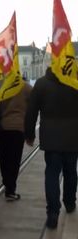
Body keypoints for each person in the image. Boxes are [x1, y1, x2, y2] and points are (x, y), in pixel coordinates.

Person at [25, 67, 78, 229]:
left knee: (52, 174)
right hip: (73, 136)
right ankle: (70, 203)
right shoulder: (75, 82)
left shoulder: (41, 83)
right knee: (71, 171)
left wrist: (29, 134)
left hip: (51, 137)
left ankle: (53, 213)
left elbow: (31, 111)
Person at [0, 77, 32, 201]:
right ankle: (10, 190)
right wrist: (30, 133)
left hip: (2, 128)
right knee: (14, 160)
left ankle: (7, 183)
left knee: (3, 158)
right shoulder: (25, 86)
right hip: (18, 127)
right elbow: (33, 107)